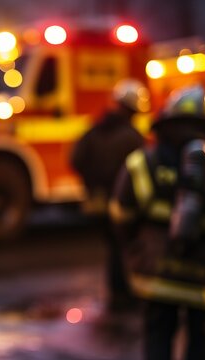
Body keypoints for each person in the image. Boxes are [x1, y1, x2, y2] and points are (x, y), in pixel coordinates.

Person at [110, 85, 205, 360]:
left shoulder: (141, 163)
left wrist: (139, 253)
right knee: (201, 339)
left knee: (157, 335)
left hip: (154, 277)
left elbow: (121, 219)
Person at [71, 78, 148, 309]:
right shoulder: (133, 137)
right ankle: (126, 295)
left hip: (96, 202)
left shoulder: (95, 130)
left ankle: (117, 293)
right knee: (125, 248)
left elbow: (76, 159)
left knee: (113, 247)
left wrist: (91, 182)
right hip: (122, 202)